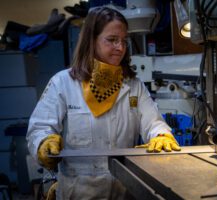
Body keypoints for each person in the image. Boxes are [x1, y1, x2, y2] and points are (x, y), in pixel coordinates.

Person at [26, 6, 181, 200]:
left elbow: (153, 123)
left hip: (123, 191)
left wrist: (161, 135)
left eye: (124, 41)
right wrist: (44, 142)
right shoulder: (63, 83)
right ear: (91, 41)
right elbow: (40, 128)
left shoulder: (133, 86)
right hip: (78, 192)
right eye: (112, 40)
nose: (120, 47)